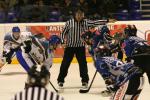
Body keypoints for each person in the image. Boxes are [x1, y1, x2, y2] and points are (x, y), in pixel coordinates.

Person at [57, 8, 116, 90]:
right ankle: (60, 80)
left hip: (80, 47)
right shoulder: (69, 23)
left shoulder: (86, 22)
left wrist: (107, 20)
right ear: (75, 14)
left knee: (83, 64)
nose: (79, 16)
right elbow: (63, 33)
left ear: (83, 15)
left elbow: (96, 22)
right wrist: (63, 42)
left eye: (81, 14)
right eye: (78, 14)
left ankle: (85, 81)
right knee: (65, 64)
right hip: (69, 47)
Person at [81, 26, 142, 98]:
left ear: (87, 37)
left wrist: (107, 38)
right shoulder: (90, 48)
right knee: (106, 72)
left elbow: (104, 28)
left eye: (86, 39)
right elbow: (95, 58)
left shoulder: (96, 36)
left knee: (114, 71)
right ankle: (112, 86)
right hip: (106, 59)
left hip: (112, 53)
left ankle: (118, 85)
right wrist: (98, 65)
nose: (86, 41)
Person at [111, 25, 150, 100]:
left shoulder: (126, 40)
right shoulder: (141, 39)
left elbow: (127, 53)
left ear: (126, 32)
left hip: (139, 60)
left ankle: (128, 97)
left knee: (133, 80)